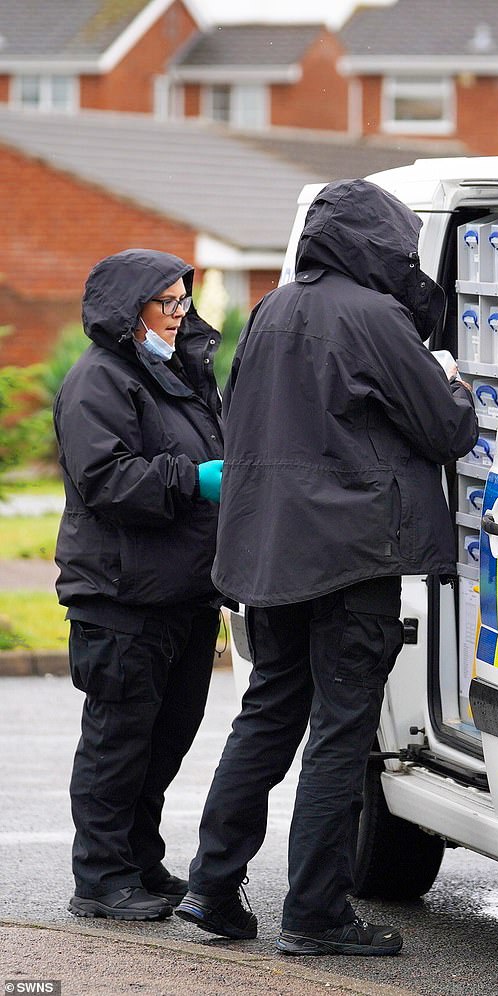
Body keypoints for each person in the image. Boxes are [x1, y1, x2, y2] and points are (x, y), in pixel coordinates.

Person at [176, 179, 479, 955]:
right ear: (377, 245)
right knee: (340, 734)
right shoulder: (377, 318)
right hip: (352, 557)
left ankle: (212, 886)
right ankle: (315, 913)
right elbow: (446, 429)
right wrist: (449, 377)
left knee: (267, 716)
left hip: (269, 554)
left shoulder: (272, 311)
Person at [54, 248, 226, 922]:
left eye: (185, 300)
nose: (180, 314)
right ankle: (99, 878)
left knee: (167, 735)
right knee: (118, 739)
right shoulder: (100, 380)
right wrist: (194, 479)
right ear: (132, 313)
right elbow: (106, 480)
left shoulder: (171, 375)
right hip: (120, 595)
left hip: (180, 592)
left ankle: (138, 858)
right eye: (167, 302)